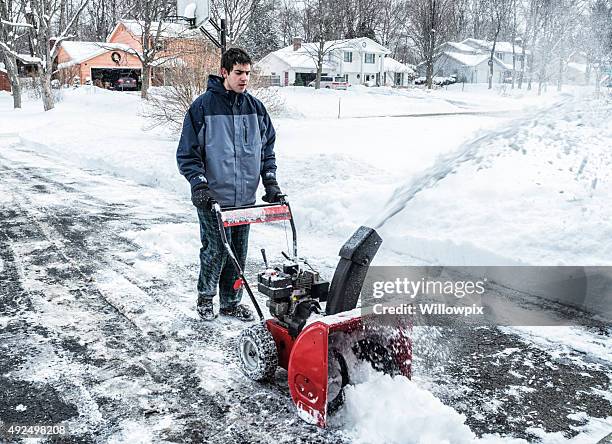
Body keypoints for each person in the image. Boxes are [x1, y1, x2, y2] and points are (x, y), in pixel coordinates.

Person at [176, 48, 283, 322]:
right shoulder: (202, 107)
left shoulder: (256, 109)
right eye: (238, 73)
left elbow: (266, 149)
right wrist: (199, 185)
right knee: (215, 250)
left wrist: (269, 180)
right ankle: (205, 298)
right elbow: (188, 154)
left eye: (247, 72)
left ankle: (231, 303)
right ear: (224, 72)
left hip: (244, 198)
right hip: (213, 198)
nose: (244, 78)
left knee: (238, 253)